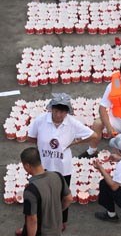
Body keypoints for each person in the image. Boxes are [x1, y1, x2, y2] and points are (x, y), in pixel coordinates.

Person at [27, 93, 98, 227]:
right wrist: (43, 145)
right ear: (51, 109)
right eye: (56, 111)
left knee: (63, 196)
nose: (59, 115)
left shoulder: (72, 123)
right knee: (41, 195)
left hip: (63, 168)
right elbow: (31, 137)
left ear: (67, 112)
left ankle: (62, 221)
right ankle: (38, 222)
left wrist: (74, 143)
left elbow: (93, 135)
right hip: (44, 165)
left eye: (63, 112)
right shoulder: (41, 120)